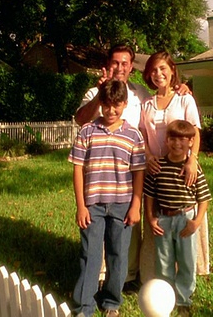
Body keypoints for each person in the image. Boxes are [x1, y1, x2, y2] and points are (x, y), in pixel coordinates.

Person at [75, 44, 190, 287]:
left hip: (134, 169)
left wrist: (180, 87)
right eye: (115, 62)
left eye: (125, 63)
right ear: (108, 65)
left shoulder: (139, 94)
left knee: (129, 223)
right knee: (98, 226)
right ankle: (98, 275)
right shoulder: (92, 92)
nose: (120, 67)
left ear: (131, 68)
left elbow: (162, 103)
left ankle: (127, 275)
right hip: (101, 173)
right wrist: (100, 93)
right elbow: (81, 119)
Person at [68, 79, 146, 317]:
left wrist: (136, 205)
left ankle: (112, 302)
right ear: (100, 103)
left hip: (122, 205)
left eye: (117, 105)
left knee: (118, 256)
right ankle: (84, 306)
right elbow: (78, 169)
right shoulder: (87, 131)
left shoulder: (134, 135)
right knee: (90, 254)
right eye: (107, 105)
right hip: (93, 205)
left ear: (125, 103)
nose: (111, 111)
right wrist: (81, 206)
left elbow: (138, 173)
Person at [138, 51, 210, 282]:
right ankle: (157, 276)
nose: (158, 74)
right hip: (156, 169)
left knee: (183, 218)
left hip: (181, 167)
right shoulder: (146, 103)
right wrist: (148, 156)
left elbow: (195, 131)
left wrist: (192, 159)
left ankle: (188, 274)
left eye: (163, 69)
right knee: (157, 222)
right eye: (154, 70)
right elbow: (142, 134)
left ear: (171, 71)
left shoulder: (184, 99)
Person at [143, 120, 211, 317]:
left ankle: (184, 300)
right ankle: (166, 297)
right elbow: (150, 195)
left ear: (191, 142)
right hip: (163, 218)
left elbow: (204, 198)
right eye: (173, 139)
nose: (177, 144)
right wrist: (150, 217)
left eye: (182, 140)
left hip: (185, 219)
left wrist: (196, 222)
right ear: (166, 140)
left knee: (186, 261)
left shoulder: (193, 168)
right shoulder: (158, 166)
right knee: (163, 262)